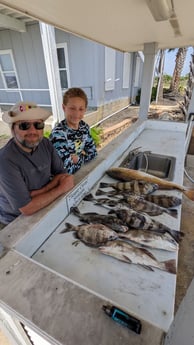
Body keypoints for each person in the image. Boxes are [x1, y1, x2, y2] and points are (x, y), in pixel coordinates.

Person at [0, 101, 74, 229]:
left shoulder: (44, 143)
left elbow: (62, 175)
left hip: (44, 204)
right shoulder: (5, 160)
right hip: (15, 220)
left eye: (38, 124)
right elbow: (27, 208)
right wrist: (60, 188)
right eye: (24, 125)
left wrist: (39, 192)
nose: (33, 131)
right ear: (12, 129)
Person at [49, 87, 97, 174]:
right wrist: (82, 159)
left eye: (81, 109)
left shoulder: (84, 127)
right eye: (72, 108)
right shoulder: (58, 134)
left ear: (85, 110)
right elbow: (66, 170)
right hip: (59, 180)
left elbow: (93, 153)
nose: (77, 113)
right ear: (64, 108)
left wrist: (78, 159)